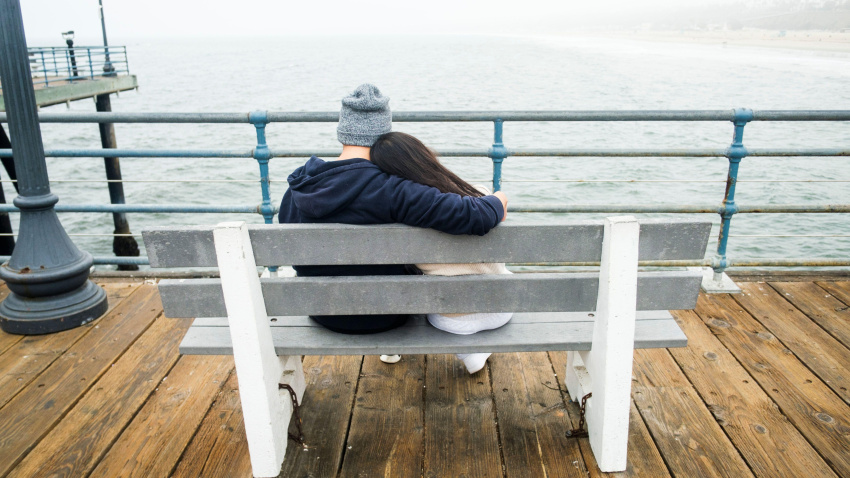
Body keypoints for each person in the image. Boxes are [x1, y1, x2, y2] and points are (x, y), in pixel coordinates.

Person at [278, 83, 508, 336]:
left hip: (323, 312)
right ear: (385, 135)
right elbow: (477, 215)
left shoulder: (298, 186)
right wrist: (499, 199)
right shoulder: (392, 189)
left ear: (342, 132)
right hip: (386, 314)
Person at [371, 131, 513, 374]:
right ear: (425, 157)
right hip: (499, 309)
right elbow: (501, 208)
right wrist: (498, 196)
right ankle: (472, 352)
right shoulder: (476, 195)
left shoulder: (400, 220)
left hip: (449, 321)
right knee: (503, 272)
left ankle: (466, 351)